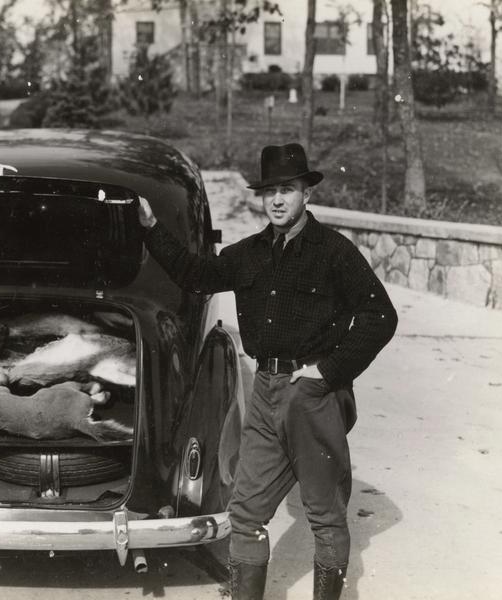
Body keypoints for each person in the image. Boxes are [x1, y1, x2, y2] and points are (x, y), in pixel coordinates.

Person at [137, 143, 397, 600]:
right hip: (263, 393)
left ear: (307, 195)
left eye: (287, 190)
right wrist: (151, 227)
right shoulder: (250, 253)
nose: (277, 200)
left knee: (325, 516)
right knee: (246, 512)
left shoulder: (334, 251)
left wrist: (328, 371)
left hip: (312, 397)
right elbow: (196, 274)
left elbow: (381, 315)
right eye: (269, 191)